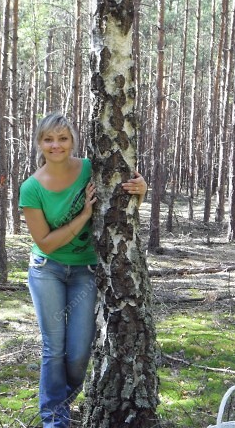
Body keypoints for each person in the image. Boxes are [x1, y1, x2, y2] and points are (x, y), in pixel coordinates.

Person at [19, 113, 147, 428]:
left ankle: (59, 399)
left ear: (73, 141)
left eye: (63, 138)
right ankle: (54, 419)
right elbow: (46, 243)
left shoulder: (91, 169)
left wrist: (141, 189)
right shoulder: (32, 188)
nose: (56, 145)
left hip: (85, 273)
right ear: (39, 144)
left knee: (77, 353)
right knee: (54, 346)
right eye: (48, 139)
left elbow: (122, 207)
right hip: (46, 270)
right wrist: (83, 215)